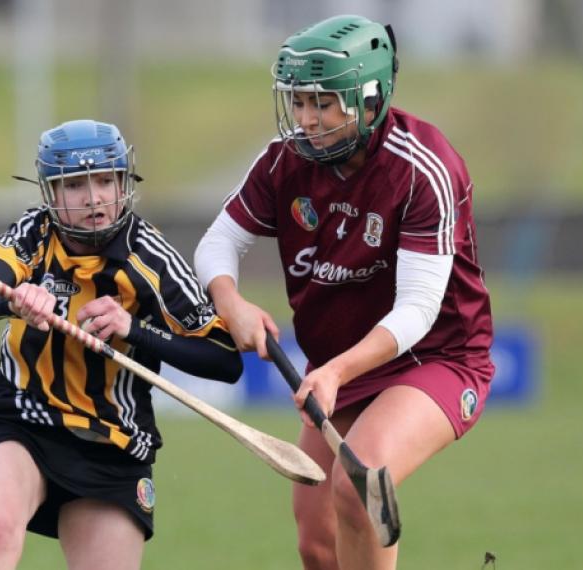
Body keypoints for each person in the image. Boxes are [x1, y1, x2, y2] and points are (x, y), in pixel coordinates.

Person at [194, 14, 494, 570]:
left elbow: (420, 308)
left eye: (323, 103)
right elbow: (216, 245)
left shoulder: (422, 169)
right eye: (299, 101)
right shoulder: (285, 161)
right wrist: (230, 301)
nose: (306, 119)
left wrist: (333, 373)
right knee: (317, 543)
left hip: (435, 357)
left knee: (360, 483)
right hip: (340, 368)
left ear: (371, 98)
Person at [0, 119, 242, 570]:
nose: (93, 198)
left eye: (105, 181)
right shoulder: (34, 233)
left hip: (111, 440)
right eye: (74, 185)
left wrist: (134, 329)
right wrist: (18, 300)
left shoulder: (150, 258)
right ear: (50, 192)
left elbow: (224, 360)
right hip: (21, 415)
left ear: (123, 182)